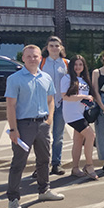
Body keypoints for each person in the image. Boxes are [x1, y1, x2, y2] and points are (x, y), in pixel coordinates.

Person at [5, 45, 64, 208]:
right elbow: (10, 105)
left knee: (44, 159)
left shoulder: (46, 77)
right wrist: (13, 129)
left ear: (40, 58)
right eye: (29, 56)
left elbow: (50, 100)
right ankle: (13, 199)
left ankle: (44, 190)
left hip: (42, 124)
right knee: (19, 163)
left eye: (35, 56)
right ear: (23, 58)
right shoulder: (15, 79)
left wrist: (49, 120)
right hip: (23, 126)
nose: (32, 59)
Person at [61, 55, 98, 180]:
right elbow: (65, 97)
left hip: (82, 113)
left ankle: (75, 168)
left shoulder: (84, 80)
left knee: (78, 141)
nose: (78, 67)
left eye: (80, 64)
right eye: (75, 64)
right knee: (90, 135)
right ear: (71, 66)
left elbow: (87, 96)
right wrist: (83, 97)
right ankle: (89, 165)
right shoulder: (66, 78)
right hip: (72, 114)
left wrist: (89, 98)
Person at [37, 36, 68, 176]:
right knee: (42, 137)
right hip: (44, 105)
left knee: (58, 136)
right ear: (47, 48)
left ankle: (56, 164)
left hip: (61, 104)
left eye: (57, 45)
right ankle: (41, 166)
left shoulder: (66, 63)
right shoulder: (41, 63)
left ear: (61, 47)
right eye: (51, 46)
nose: (54, 48)